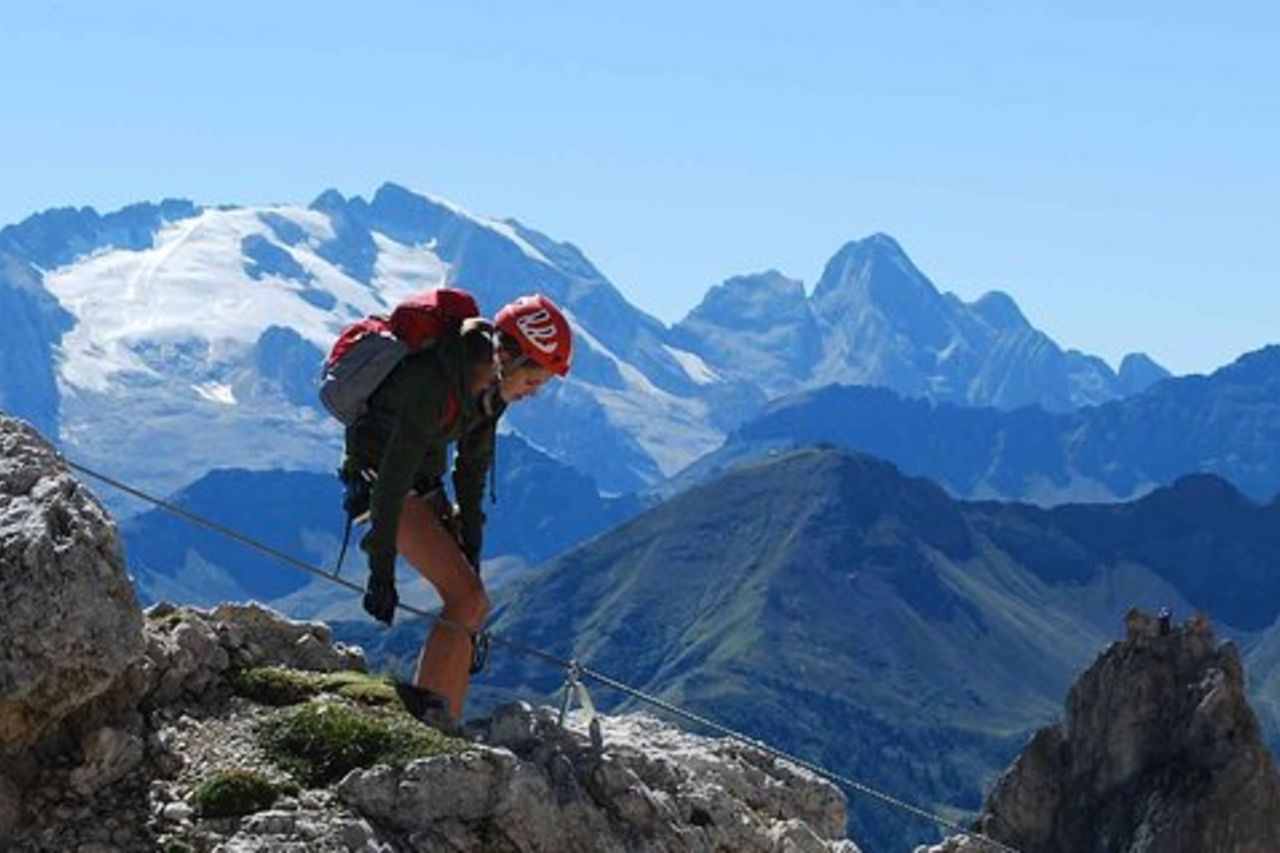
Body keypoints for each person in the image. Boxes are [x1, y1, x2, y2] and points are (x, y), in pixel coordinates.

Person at [343, 293, 573, 726]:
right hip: (379, 483)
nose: (530, 394)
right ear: (507, 355)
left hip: (418, 485)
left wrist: (472, 552)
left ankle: (445, 720)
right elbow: (393, 475)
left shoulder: (489, 394)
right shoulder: (432, 381)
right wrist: (381, 574)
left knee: (471, 601)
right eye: (532, 381)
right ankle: (428, 723)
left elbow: (471, 475)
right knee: (466, 600)